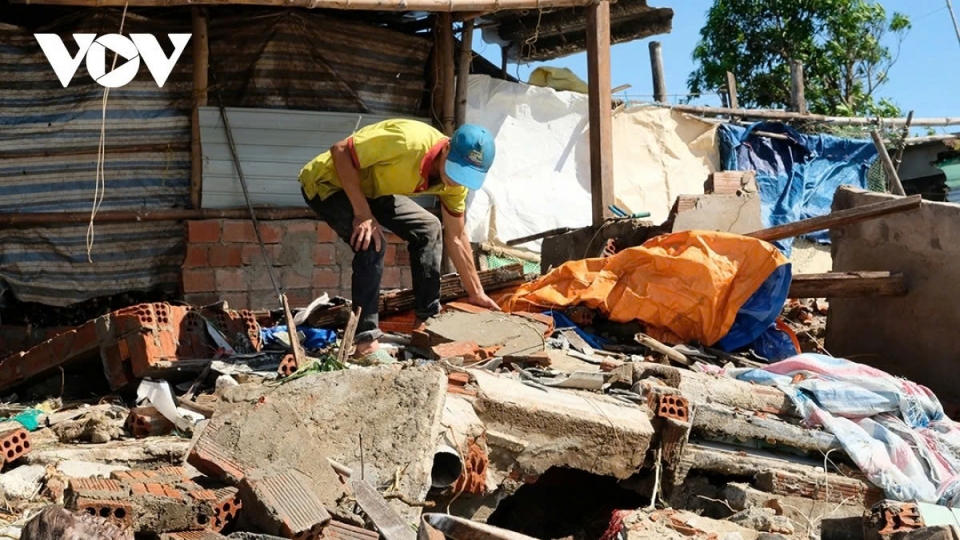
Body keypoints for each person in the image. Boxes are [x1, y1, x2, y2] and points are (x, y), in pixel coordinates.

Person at [300, 118, 500, 364]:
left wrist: (476, 292)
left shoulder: (455, 185)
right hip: (329, 183)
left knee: (429, 227)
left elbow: (456, 236)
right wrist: (363, 214)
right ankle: (365, 342)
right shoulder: (407, 141)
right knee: (372, 241)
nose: (457, 181)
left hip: (373, 190)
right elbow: (340, 151)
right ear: (446, 147)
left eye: (466, 176)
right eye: (456, 169)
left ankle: (425, 326)